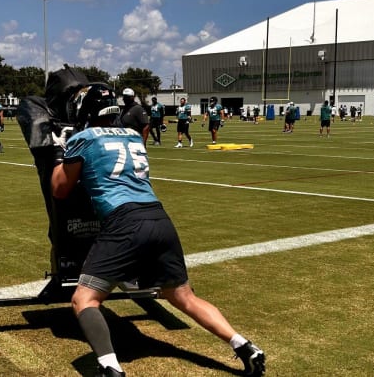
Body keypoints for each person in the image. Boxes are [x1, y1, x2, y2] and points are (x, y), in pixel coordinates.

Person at [51, 83, 266, 377]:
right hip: (159, 217)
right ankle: (243, 345)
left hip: (124, 221)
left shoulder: (84, 137)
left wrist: (59, 153)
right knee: (183, 296)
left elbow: (60, 190)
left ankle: (109, 367)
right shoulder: (132, 135)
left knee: (84, 299)